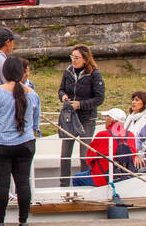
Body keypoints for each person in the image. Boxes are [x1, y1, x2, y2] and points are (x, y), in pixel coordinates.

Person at [0, 56, 41, 226]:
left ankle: (0, 220)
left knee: (2, 183)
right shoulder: (33, 95)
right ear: (22, 73)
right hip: (26, 143)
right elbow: (35, 124)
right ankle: (23, 220)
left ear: (4, 72)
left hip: (1, 144)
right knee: (23, 182)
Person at [57, 44, 105, 187]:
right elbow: (61, 89)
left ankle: (85, 183)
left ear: (85, 59)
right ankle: (64, 184)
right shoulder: (68, 72)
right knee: (65, 154)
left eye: (77, 57)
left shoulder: (94, 74)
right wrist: (63, 96)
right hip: (70, 118)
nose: (74, 60)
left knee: (85, 155)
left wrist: (81, 104)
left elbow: (99, 98)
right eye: (72, 57)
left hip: (87, 118)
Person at [71, 108, 138, 187]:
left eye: (107, 117)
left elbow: (89, 158)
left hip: (103, 178)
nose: (106, 120)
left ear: (110, 120)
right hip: (125, 178)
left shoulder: (103, 135)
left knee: (77, 178)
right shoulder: (130, 135)